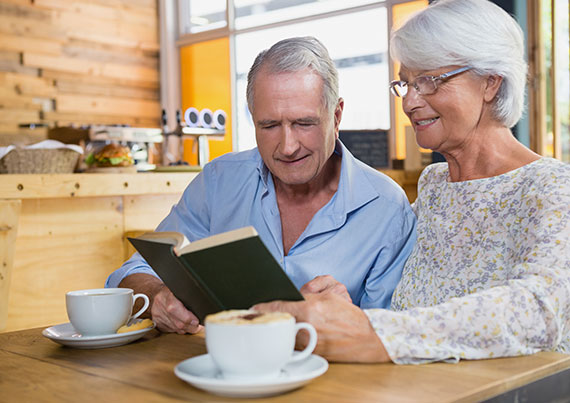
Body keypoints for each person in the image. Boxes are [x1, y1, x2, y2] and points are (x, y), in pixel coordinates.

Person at [254, 0, 570, 364]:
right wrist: (350, 309)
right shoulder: (435, 185)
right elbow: (410, 307)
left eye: (430, 81)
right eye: (406, 83)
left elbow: (539, 310)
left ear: (490, 83)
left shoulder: (552, 186)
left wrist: (371, 333)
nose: (410, 102)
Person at [106, 36, 417, 335]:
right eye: (269, 126)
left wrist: (332, 318)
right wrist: (158, 297)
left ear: (335, 116)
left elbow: (390, 337)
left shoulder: (387, 208)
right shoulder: (219, 181)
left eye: (304, 123)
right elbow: (131, 274)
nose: (287, 146)